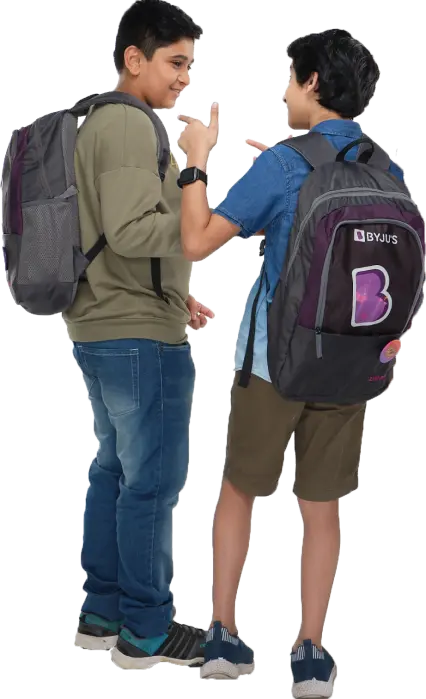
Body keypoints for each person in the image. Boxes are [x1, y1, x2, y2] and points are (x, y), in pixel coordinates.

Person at [176, 28, 406, 691]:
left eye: (290, 79)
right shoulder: (386, 168)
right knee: (323, 504)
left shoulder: (282, 165)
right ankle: (311, 651)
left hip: (275, 362)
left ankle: (224, 635)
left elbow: (196, 240)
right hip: (353, 363)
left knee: (239, 490)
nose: (285, 92)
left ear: (311, 83)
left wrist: (197, 161)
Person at [68, 0, 215, 672]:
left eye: (190, 64)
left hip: (106, 322)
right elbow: (131, 231)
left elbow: (110, 233)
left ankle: (102, 613)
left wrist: (174, 292)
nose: (185, 77)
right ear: (134, 58)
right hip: (137, 337)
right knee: (150, 481)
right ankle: (147, 631)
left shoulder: (98, 119)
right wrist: (197, 177)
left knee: (115, 469)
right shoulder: (129, 123)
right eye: (175, 62)